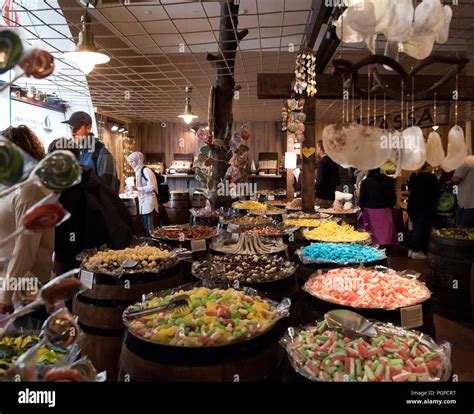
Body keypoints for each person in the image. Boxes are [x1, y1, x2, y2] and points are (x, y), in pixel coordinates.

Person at [48, 139, 133, 273]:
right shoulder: (89, 176)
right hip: (98, 252)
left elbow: (66, 227)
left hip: (74, 258)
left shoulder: (65, 186)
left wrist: (59, 258)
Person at [0, 126, 54, 314]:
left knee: (23, 341)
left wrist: (6, 294)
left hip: (23, 290)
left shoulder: (29, 190)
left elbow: (25, 248)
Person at [62, 111, 120, 194]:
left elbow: (108, 194)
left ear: (88, 128)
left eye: (77, 128)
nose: (72, 133)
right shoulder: (75, 152)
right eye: (71, 128)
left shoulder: (103, 154)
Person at [406, 163, 441, 259]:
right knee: (421, 229)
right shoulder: (431, 177)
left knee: (415, 228)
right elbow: (437, 192)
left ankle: (411, 250)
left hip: (413, 206)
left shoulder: (414, 176)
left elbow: (410, 187)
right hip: (425, 207)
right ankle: (416, 251)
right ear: (428, 166)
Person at [358, 168, 399, 247]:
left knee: (371, 241)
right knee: (385, 238)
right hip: (385, 211)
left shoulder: (365, 182)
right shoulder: (388, 180)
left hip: (369, 212)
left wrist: (362, 209)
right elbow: (392, 199)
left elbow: (361, 201)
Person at [127, 152, 159, 237]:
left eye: (132, 161)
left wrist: (138, 189)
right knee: (146, 224)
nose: (130, 164)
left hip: (149, 200)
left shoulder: (145, 170)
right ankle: (149, 243)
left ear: (139, 160)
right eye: (129, 162)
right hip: (143, 200)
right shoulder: (138, 171)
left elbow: (152, 187)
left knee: (149, 225)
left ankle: (151, 244)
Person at [446, 156, 474, 227]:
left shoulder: (465, 162)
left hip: (467, 205)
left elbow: (456, 180)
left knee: (462, 233)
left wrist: (449, 183)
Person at [315, 141, 340, 208]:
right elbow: (337, 181)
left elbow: (319, 182)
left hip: (321, 197)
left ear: (320, 148)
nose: (316, 149)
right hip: (331, 197)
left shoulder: (321, 162)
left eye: (317, 147)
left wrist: (313, 187)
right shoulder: (334, 162)